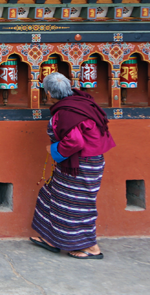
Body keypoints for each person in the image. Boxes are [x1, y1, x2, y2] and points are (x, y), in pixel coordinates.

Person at [30, 72, 115, 259]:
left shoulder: (67, 113)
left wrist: (52, 149)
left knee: (78, 204)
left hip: (82, 165)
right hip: (82, 162)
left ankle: (92, 247)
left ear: (50, 93)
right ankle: (52, 239)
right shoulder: (81, 101)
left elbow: (75, 142)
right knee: (51, 194)